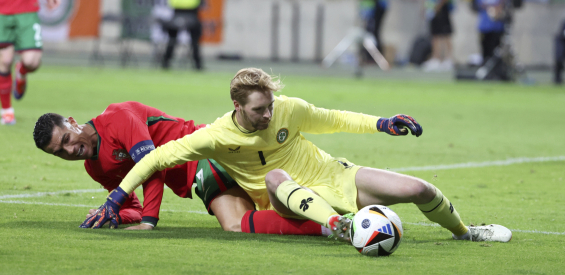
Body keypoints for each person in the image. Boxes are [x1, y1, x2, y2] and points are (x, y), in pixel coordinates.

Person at [81, 68, 512, 244]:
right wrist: (119, 197)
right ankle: (340, 228)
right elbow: (154, 160)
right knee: (273, 178)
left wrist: (383, 122)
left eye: (270, 105)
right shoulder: (215, 136)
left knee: (418, 188)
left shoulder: (289, 108)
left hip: (333, 175)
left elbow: (335, 117)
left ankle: (466, 232)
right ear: (238, 107)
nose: (268, 114)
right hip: (285, 194)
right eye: (258, 109)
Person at [33, 101, 330, 236]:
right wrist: (112, 213)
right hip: (201, 169)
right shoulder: (94, 168)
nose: (70, 151)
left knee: (235, 224)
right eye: (59, 153)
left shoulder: (117, 118)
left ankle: (330, 227)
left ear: (71, 122)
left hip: (204, 155)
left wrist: (149, 221)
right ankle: (335, 214)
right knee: (273, 206)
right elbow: (132, 207)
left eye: (67, 140)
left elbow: (152, 166)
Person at [161, 0, 204, 70]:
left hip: (177, 8)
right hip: (192, 8)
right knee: (195, 40)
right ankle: (198, 65)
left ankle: (165, 62)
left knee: (172, 38)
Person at [473, 0, 509, 64]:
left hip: (496, 23)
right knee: (485, 46)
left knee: (496, 47)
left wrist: (497, 9)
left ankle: (496, 67)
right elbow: (479, 3)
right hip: (484, 23)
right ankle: (485, 66)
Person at [423, 0, 453, 72]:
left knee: (445, 34)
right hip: (431, 9)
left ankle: (448, 59)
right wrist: (426, 8)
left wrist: (438, 7)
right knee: (435, 35)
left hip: (442, 10)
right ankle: (436, 58)